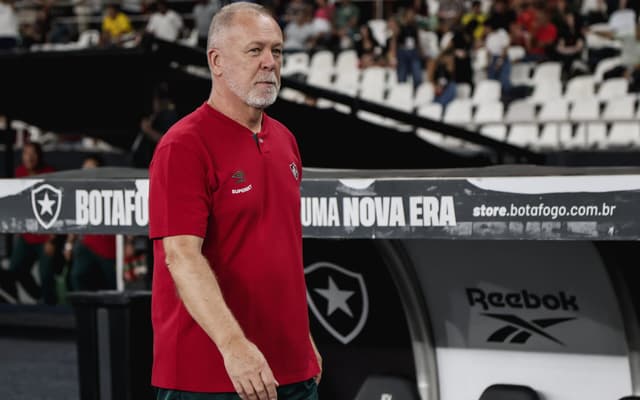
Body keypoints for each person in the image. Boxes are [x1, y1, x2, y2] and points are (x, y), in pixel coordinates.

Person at [148, 3, 322, 400]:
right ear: (217, 61)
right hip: (209, 376)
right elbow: (181, 257)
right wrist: (233, 346)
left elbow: (278, 249)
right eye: (254, 50)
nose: (269, 63)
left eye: (276, 51)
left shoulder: (285, 140)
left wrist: (301, 337)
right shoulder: (183, 146)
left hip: (291, 370)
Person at [6, 143, 57, 304]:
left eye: (33, 153)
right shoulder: (18, 173)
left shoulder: (51, 175)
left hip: (46, 238)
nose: (29, 157)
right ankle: (38, 297)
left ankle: (53, 313)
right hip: (27, 236)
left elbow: (61, 209)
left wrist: (52, 239)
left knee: (46, 275)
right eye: (25, 153)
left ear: (39, 155)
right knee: (15, 269)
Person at [65, 155, 116, 291]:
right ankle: (83, 308)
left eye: (92, 169)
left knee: (112, 284)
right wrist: (69, 245)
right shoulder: (79, 191)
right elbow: (75, 220)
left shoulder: (112, 190)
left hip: (109, 248)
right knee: (77, 275)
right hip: (87, 245)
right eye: (85, 169)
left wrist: (129, 243)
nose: (87, 173)